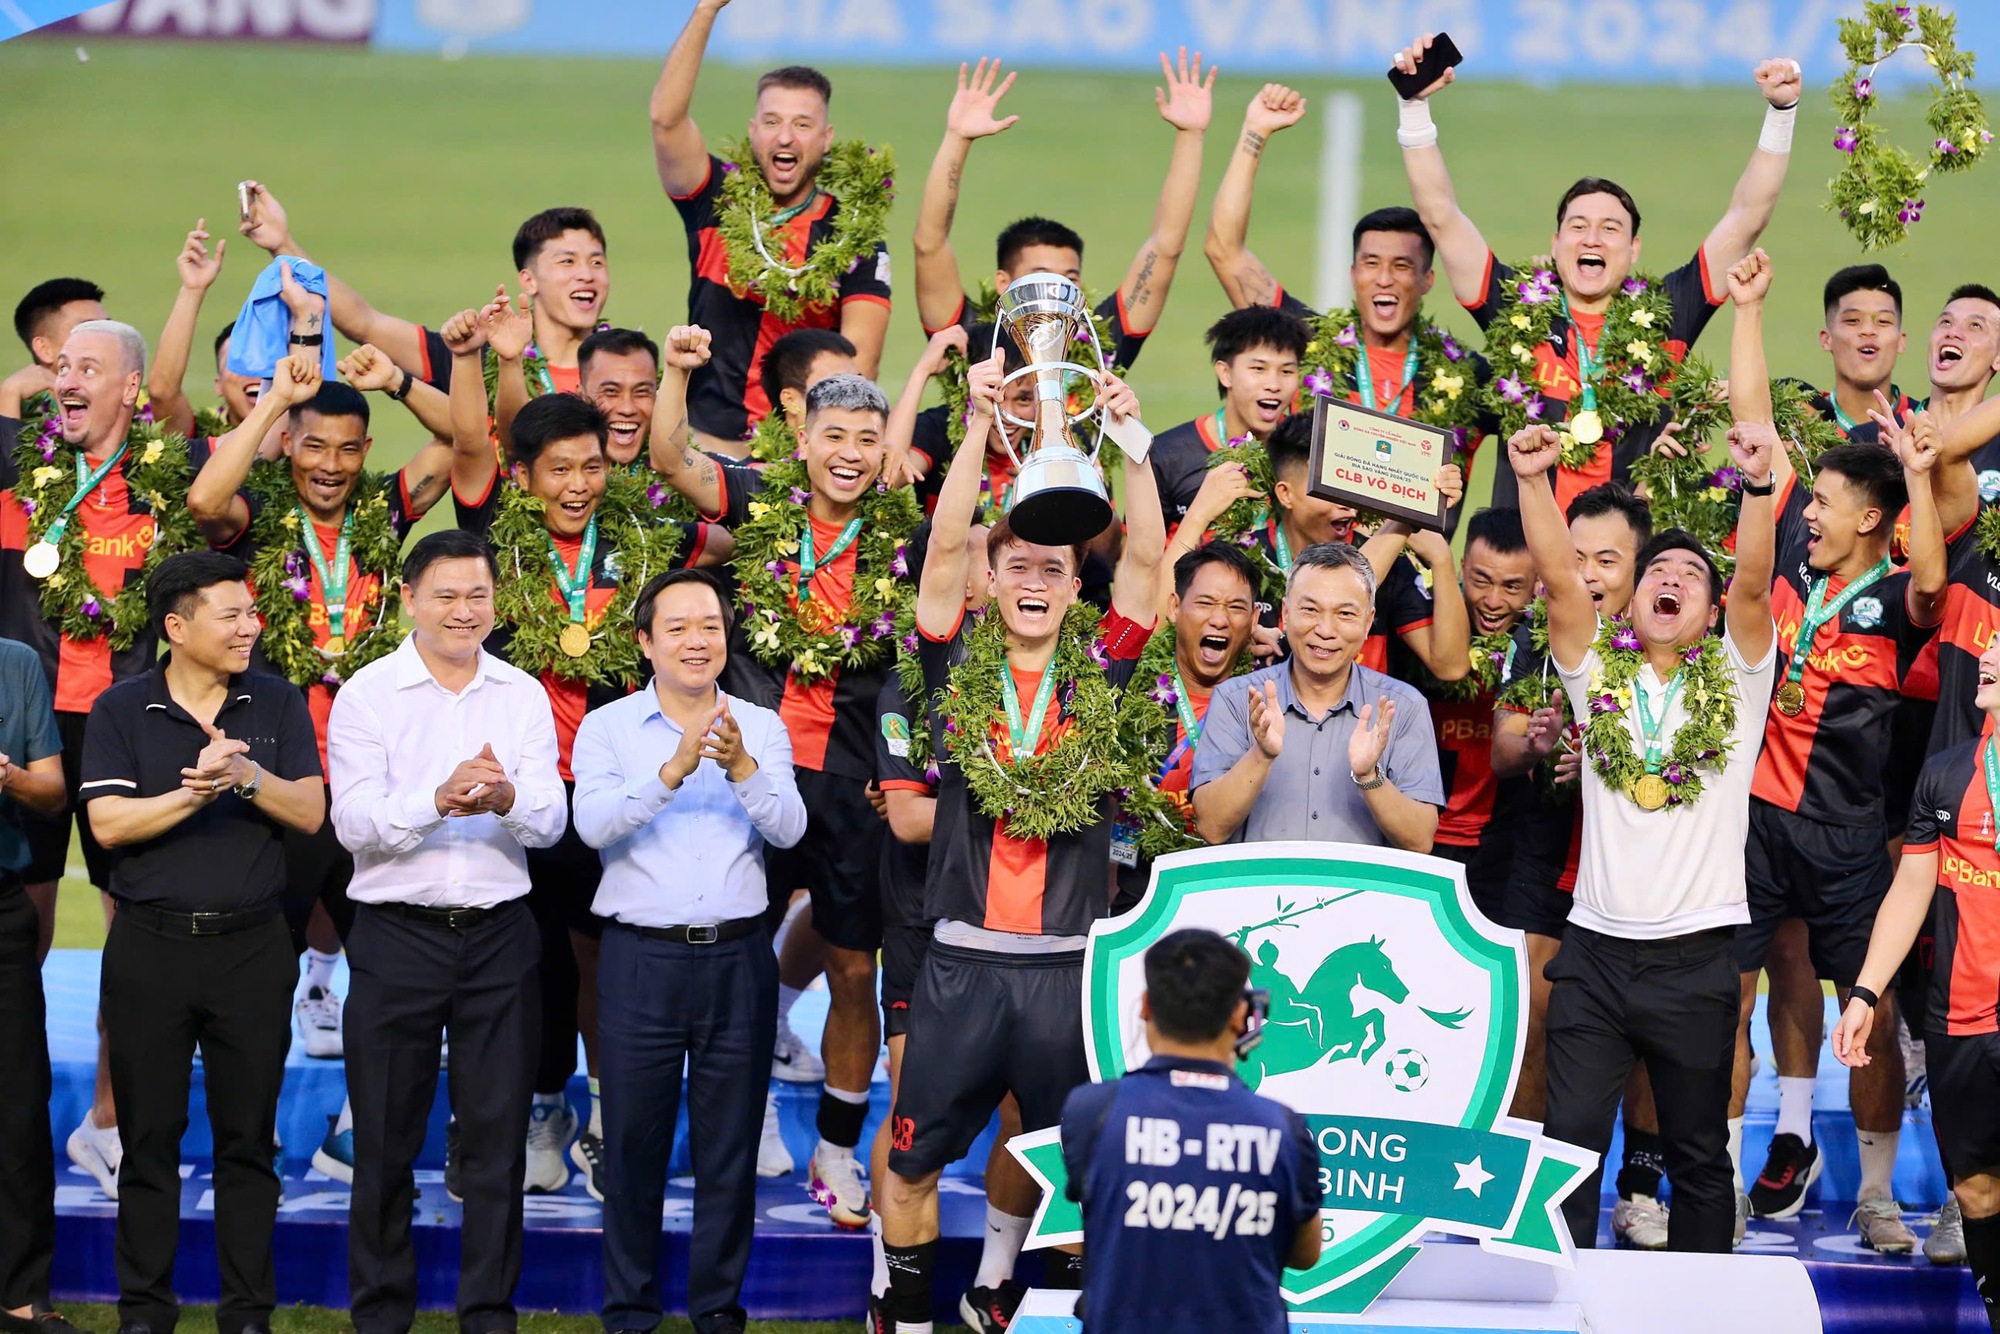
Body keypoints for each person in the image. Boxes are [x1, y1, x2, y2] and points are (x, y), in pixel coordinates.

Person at [876, 349, 1166, 1334]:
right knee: (911, 1157)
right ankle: (908, 1317)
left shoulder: (1103, 674)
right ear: (991, 580)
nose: (1037, 577)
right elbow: (942, 547)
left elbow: (1145, 571)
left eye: (1056, 567)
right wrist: (968, 434)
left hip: (1064, 973)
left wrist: (1131, 449)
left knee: (1083, 1177)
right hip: (958, 963)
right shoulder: (955, 660)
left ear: (1073, 588)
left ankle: (1047, 1307)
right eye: (1021, 564)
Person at [1507, 277, 1779, 1260]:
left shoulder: (1737, 683)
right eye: (1655, 571)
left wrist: (1755, 488)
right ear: (1632, 604)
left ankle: (1697, 1310)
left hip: (1699, 956)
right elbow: (1556, 582)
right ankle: (1565, 1311)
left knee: (1698, 1155)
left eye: (1687, 576)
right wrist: (1534, 480)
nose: (1669, 577)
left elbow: (1751, 574)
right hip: (1594, 955)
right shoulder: (1596, 676)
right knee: (1569, 1153)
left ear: (1711, 616)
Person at [446, 306, 725, 1200]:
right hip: (521, 790)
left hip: (613, 786)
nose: (577, 484)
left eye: (593, 466)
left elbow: (719, 530)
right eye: (558, 470)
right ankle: (537, 1108)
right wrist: (475, 361)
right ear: (524, 478)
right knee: (525, 960)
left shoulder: (645, 537)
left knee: (606, 955)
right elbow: (470, 449)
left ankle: (607, 1116)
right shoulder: (495, 534)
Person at [652, 331, 920, 1228]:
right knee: (731, 958)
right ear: (801, 436)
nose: (848, 454)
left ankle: (837, 1151)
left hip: (855, 786)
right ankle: (747, 1112)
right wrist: (682, 372)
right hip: (749, 767)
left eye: (865, 440)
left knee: (851, 967)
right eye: (833, 435)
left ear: (883, 452)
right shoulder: (762, 502)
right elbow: (668, 458)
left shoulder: (903, 538)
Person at [1719, 251, 1943, 1250]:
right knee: (1725, 992)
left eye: (1823, 505)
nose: (1805, 512)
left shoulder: (1895, 603)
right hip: (1760, 826)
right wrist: (1752, 305)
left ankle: (1878, 1194)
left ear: (1869, 518)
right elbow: (1758, 434)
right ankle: (1722, 1178)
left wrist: (1923, 471)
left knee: (1875, 1003)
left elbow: (1933, 568)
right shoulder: (1781, 584)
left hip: (1852, 836)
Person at [1391, 32, 1800, 508]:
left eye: (1610, 229)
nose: (1591, 238)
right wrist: (1414, 109)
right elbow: (1440, 216)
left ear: (1633, 251)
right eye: (1578, 226)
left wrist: (1781, 114)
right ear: (1556, 243)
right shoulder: (1512, 306)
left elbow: (1746, 217)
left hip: (1624, 568)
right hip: (1519, 568)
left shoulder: (1670, 311)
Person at [326, 528, 565, 1334]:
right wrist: (438, 798)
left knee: (495, 1149)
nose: (465, 612)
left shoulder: (522, 693)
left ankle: (488, 1317)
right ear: (409, 600)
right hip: (397, 937)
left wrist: (502, 800)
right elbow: (353, 823)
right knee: (385, 1147)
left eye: (478, 596)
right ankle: (381, 1318)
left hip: (501, 937)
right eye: (447, 596)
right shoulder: (366, 695)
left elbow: (551, 822)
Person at [80, 551, 325, 1334]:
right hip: (148, 948)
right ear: (177, 627)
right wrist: (197, 790)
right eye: (233, 615)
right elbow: (109, 825)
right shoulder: (122, 708)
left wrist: (244, 776)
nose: (252, 626)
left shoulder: (278, 702)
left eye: (252, 613)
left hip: (253, 950)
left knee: (248, 1141)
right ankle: (145, 1313)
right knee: (146, 1141)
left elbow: (312, 813)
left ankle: (246, 1314)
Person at [572, 568, 807, 1334]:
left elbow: (790, 830)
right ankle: (630, 1312)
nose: (696, 640)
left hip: (739, 960)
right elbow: (594, 826)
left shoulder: (762, 727)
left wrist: (739, 766)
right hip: (640, 961)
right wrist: (672, 769)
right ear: (645, 642)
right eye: (676, 627)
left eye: (709, 624)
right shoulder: (607, 728)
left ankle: (717, 1313)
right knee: (632, 1150)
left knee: (729, 1151)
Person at [1, 318, 198, 1200]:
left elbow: (218, 483)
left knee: (137, 935)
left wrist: (192, 296)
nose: (67, 379)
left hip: (127, 725)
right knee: (21, 935)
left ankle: (109, 1125)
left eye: (89, 367)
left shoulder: (170, 474)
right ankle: (14, 1119)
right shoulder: (16, 462)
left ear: (130, 390)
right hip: (31, 729)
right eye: (60, 366)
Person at [1489, 483, 1681, 1250]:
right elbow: (1503, 750)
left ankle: (1638, 1187)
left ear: (1641, 568)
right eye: (1576, 559)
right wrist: (1535, 746)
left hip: (1637, 855)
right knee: (1535, 1015)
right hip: (1544, 839)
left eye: (1608, 560)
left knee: (1643, 1024)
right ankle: (1528, 1187)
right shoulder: (1539, 632)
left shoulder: (1676, 644)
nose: (1592, 574)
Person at [1204, 84, 1492, 532]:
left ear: (1427, 280)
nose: (1384, 279)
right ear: (1352, 273)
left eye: (1402, 266)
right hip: (1309, 580)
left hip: (1413, 588)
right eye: (1371, 264)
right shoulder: (1308, 341)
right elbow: (1225, 250)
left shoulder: (1469, 375)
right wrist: (1254, 133)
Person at [1833, 634, 2000, 1334]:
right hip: (1961, 1017)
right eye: (1990, 642)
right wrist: (1867, 993)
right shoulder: (1947, 771)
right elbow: (1911, 888)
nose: (1987, 654)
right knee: (1976, 1189)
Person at [650, 2, 891, 452]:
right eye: (772, 121)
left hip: (798, 451)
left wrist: (808, 448)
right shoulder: (716, 197)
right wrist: (706, 10)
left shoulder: (852, 231)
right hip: (708, 442)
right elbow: (666, 121)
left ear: (826, 138)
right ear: (753, 131)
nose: (785, 137)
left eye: (803, 124)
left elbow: (862, 362)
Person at [1059, 928, 1322, 1334]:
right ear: (1240, 1016)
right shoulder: (1284, 1127)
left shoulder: (1090, 1110)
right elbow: (1305, 1254)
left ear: (1145, 1007)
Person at [912, 53, 1213, 373]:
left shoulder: (1101, 344)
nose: (1055, 290)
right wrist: (957, 138)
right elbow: (929, 244)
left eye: (1069, 278)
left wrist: (1190, 137)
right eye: (1039, 275)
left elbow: (1165, 247)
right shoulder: (969, 340)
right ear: (1004, 282)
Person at [240, 184, 611, 436]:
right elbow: (365, 323)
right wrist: (282, 244)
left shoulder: (623, 370)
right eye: (567, 262)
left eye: (597, 263)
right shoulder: (474, 357)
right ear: (528, 280)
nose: (586, 275)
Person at [1191, 542, 1443, 851]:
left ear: (1367, 623)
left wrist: (1369, 776)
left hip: (1361, 896)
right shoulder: (1237, 699)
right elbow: (1211, 828)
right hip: (1260, 893)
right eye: (1310, 609)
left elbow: (1420, 840)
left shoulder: (1402, 707)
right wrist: (1261, 755)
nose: (1325, 629)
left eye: (1345, 614)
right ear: (1285, 613)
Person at [1383, 507, 1537, 906]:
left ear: (1538, 583)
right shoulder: (1421, 616)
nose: (1493, 601)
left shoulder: (1544, 642)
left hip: (1502, 845)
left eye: (1511, 586)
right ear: (1462, 565)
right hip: (1413, 836)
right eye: (1481, 580)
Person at [1113, 540, 1262, 913]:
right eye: (1206, 603)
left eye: (1236, 607)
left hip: (1240, 896)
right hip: (1143, 892)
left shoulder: (1268, 704)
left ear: (1255, 619)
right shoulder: (1130, 691)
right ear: (1175, 608)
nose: (1219, 619)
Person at [0, 633, 70, 1334]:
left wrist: (7, 777)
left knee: (19, 1105)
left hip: (1, 906)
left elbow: (52, 791)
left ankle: (22, 1301)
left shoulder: (15, 663)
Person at [1146, 306, 1308, 532]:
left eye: (1287, 372)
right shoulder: (1166, 455)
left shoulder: (1305, 455)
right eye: (1259, 368)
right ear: (1225, 373)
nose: (1274, 385)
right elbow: (1138, 560)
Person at [2, 277, 105, 419]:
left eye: (109, 328)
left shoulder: (132, 404)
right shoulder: (26, 415)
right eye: (87, 329)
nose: (107, 338)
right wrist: (9, 396)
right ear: (45, 350)